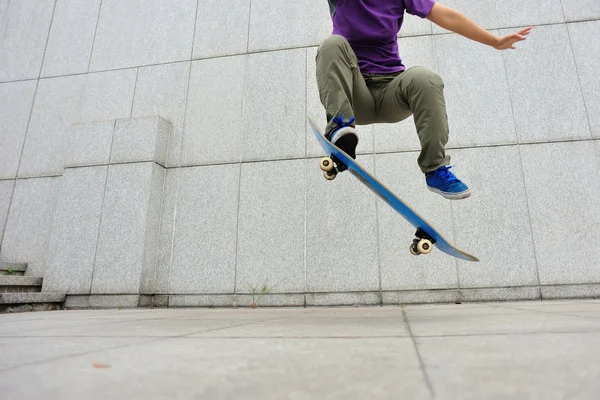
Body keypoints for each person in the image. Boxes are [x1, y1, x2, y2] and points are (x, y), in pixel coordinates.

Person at [316, 0, 531, 200]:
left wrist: (494, 41)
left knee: (425, 78)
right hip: (354, 95)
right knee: (332, 45)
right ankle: (340, 130)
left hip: (391, 92)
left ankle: (435, 168)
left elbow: (446, 16)